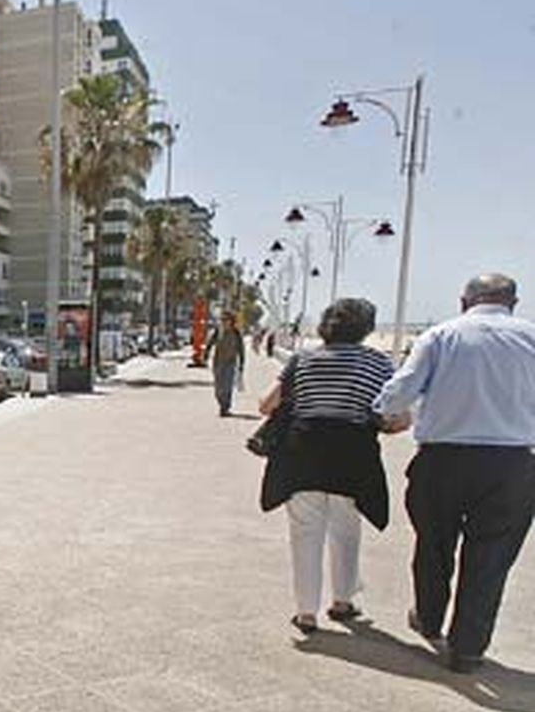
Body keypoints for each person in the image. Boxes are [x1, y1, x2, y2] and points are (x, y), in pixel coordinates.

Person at [374, 273, 535, 672]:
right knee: (491, 556)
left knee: (433, 543)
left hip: (443, 460)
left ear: (464, 301)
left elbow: (400, 392)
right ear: (512, 303)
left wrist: (383, 410)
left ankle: (429, 618)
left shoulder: (441, 336)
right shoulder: (531, 338)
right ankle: (468, 648)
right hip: (513, 463)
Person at [259, 298, 401, 634]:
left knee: (305, 534)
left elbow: (267, 405)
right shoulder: (377, 364)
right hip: (352, 457)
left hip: (303, 452)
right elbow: (396, 418)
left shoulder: (303, 359)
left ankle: (306, 612)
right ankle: (342, 602)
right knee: (346, 531)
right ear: (366, 328)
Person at [205, 314, 246, 416]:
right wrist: (206, 354)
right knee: (218, 388)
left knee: (227, 386)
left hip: (230, 363)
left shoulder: (236, 333)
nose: (224, 322)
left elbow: (241, 350)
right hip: (218, 362)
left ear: (231, 321)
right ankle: (222, 403)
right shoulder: (218, 331)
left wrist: (241, 363)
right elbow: (210, 343)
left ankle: (225, 408)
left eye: (226, 320)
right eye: (222, 320)